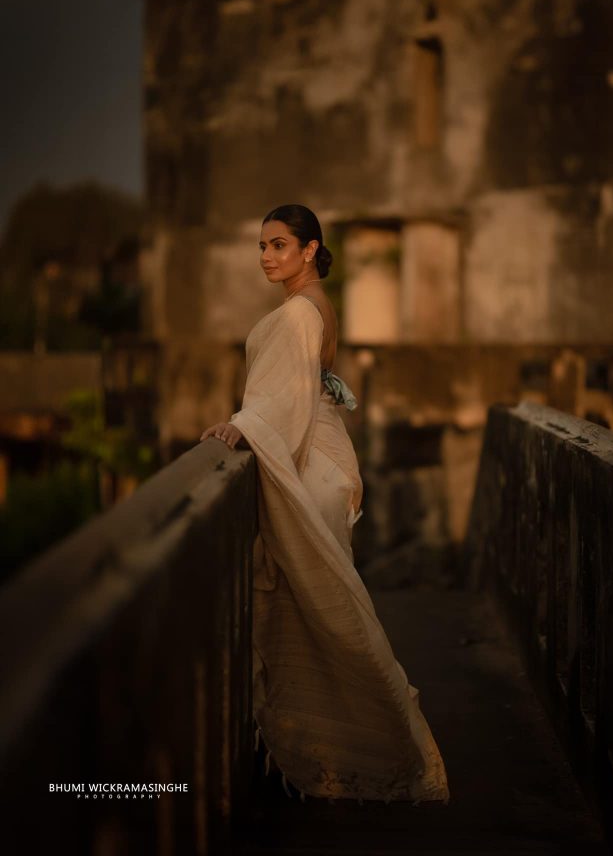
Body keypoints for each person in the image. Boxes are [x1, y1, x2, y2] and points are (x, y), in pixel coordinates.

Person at [200, 203, 449, 805]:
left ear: (310, 250)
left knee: (326, 615)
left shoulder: (299, 312)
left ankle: (376, 750)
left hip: (312, 462)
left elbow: (284, 399)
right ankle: (339, 755)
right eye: (262, 246)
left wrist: (243, 425)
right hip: (324, 456)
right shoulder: (313, 304)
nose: (267, 256)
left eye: (279, 245)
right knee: (319, 613)